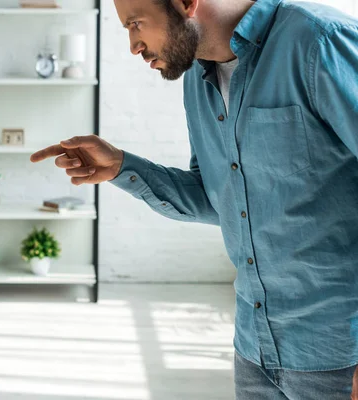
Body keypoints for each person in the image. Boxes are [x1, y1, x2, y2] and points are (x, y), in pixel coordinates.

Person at [31, 0, 358, 398]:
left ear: (187, 3)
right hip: (255, 353)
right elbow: (219, 199)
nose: (134, 45)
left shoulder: (317, 42)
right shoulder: (198, 80)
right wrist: (121, 167)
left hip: (342, 358)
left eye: (136, 24)